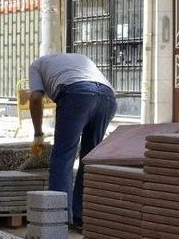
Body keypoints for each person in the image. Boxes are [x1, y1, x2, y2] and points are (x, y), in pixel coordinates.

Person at [28, 52, 116, 227]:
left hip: (76, 95)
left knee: (63, 157)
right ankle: (80, 216)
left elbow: (35, 98)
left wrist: (38, 134)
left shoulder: (36, 65)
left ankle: (58, 219)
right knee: (89, 159)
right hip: (108, 97)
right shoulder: (80, 58)